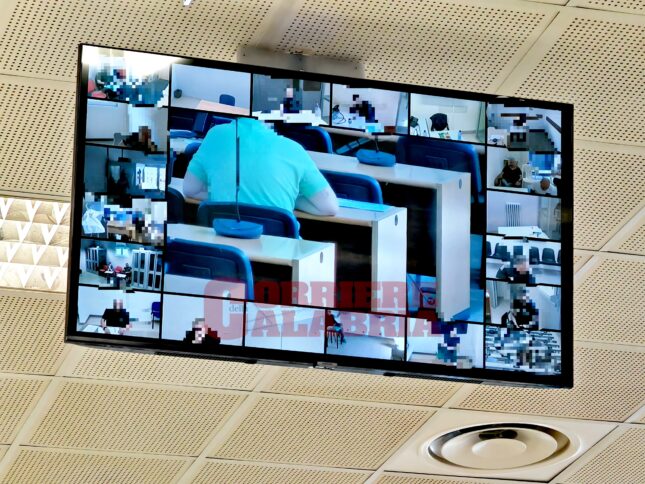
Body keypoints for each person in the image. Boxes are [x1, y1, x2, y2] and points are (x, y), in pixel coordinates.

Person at [183, 118, 339, 217]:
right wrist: (292, 199)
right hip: (280, 253)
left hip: (224, 249)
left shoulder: (215, 135)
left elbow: (191, 189)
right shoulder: (294, 149)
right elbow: (329, 207)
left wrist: (223, 194)